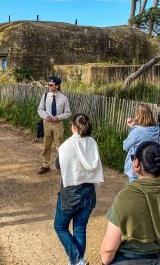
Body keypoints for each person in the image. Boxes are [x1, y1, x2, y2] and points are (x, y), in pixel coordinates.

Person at [101, 141, 160, 265]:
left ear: (136, 163)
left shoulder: (126, 196)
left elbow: (109, 249)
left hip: (132, 260)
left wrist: (105, 262)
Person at [54, 113, 104, 265]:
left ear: (74, 127)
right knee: (80, 228)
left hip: (71, 193)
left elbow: (58, 165)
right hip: (89, 192)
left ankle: (76, 260)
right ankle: (78, 260)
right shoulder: (92, 143)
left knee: (60, 226)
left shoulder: (67, 146)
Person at [37, 76, 71, 174]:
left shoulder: (63, 99)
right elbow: (40, 109)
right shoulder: (45, 96)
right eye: (48, 84)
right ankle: (46, 165)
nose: (49, 86)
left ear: (57, 86)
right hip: (46, 123)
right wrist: (45, 116)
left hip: (58, 124)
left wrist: (58, 117)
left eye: (51, 85)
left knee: (59, 146)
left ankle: (61, 166)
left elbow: (68, 113)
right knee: (46, 144)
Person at [123, 103, 160, 182]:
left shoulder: (137, 131)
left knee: (135, 191)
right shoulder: (156, 129)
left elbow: (125, 146)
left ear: (139, 116)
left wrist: (133, 128)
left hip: (137, 166)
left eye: (136, 114)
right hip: (150, 164)